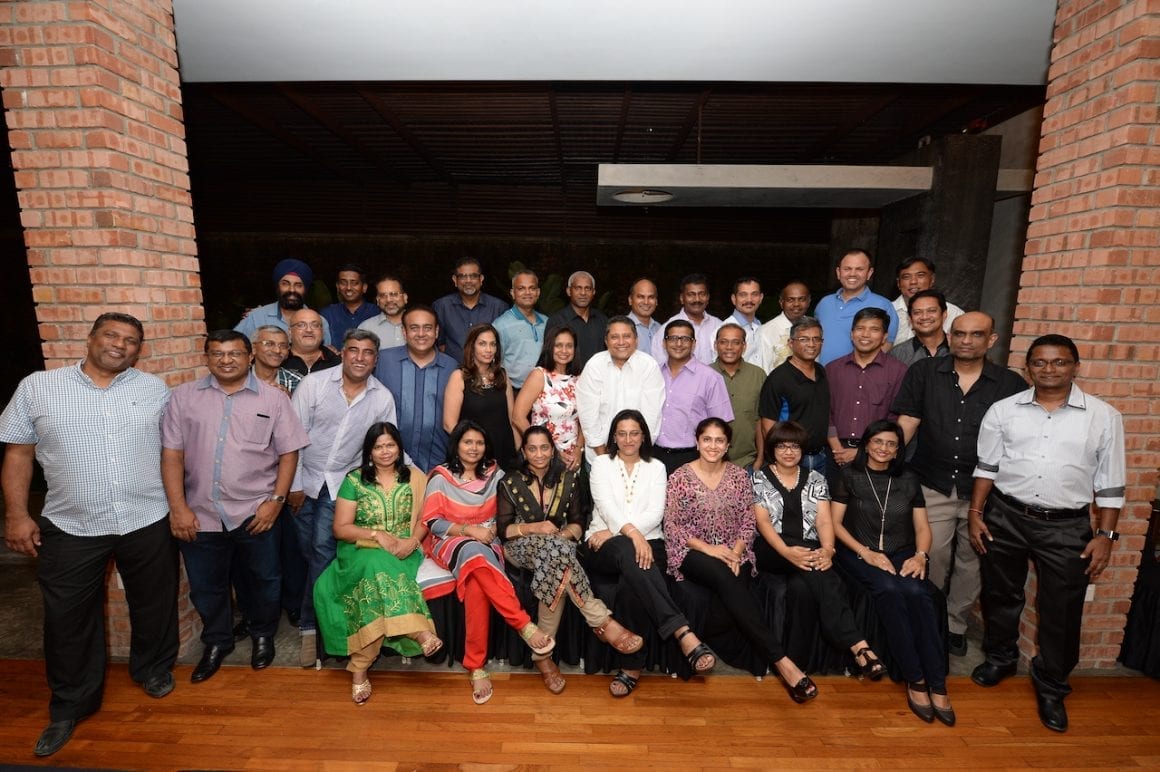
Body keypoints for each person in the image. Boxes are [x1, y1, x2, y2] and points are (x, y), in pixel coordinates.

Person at [1, 313, 179, 757]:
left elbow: (172, 452)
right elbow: (19, 454)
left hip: (146, 517)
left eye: (131, 340)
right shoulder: (38, 387)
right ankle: (71, 704)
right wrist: (17, 515)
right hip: (71, 523)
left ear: (139, 350)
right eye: (111, 335)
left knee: (155, 602)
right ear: (90, 338)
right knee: (67, 618)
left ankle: (152, 669)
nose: (120, 345)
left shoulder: (154, 390)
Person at [968, 334, 1125, 733]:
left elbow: (1110, 484)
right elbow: (987, 466)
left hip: (1067, 526)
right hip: (1006, 515)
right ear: (1028, 369)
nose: (1049, 369)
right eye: (1039, 362)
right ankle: (1001, 658)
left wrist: (1105, 537)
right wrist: (975, 512)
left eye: (1059, 362)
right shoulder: (1004, 410)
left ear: (1075, 366)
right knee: (1000, 593)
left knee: (1062, 609)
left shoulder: (1103, 417)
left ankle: (1052, 684)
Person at [161, 330, 309, 683]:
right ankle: (217, 641)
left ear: (249, 356)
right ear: (207, 357)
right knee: (206, 585)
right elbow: (172, 455)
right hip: (200, 513)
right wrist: (178, 508)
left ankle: (262, 635)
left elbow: (289, 453)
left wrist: (276, 502)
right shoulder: (183, 397)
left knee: (264, 579)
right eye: (217, 353)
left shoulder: (273, 399)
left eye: (234, 354)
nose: (226, 360)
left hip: (255, 511)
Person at [892, 311, 1026, 657]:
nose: (967, 341)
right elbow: (908, 421)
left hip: (984, 489)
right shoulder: (924, 372)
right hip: (932, 481)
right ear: (949, 337)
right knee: (931, 554)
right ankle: (929, 616)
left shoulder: (1010, 385)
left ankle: (955, 624)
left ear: (991, 340)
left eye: (976, 334)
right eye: (960, 334)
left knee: (972, 559)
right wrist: (885, 463)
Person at [664, 418, 818, 703]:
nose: (713, 445)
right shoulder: (680, 477)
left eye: (719, 440)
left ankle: (711, 640)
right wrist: (711, 550)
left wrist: (735, 552)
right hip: (691, 552)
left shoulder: (739, 476)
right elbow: (673, 526)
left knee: (731, 580)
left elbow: (749, 522)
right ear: (697, 442)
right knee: (726, 575)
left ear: (728, 446)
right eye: (707, 439)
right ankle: (783, 662)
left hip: (735, 552)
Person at [497, 426, 644, 694]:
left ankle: (543, 656)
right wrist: (536, 528)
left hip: (559, 547)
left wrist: (560, 536)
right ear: (524, 452)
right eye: (532, 449)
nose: (539, 454)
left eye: (544, 448)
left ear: (552, 450)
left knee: (554, 559)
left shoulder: (568, 478)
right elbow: (504, 530)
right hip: (519, 548)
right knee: (556, 554)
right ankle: (601, 621)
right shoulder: (509, 482)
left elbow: (578, 522)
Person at [421, 420, 556, 704]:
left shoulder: (496, 475)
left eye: (479, 443)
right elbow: (433, 522)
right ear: (456, 445)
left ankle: (476, 666)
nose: (474, 448)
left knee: (477, 585)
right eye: (467, 442)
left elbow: (508, 513)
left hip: (489, 540)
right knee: (474, 553)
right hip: (451, 539)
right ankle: (523, 624)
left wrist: (492, 530)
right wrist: (470, 531)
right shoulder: (441, 477)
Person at [583, 410, 716, 697]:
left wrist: (623, 532)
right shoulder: (601, 464)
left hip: (648, 541)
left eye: (634, 433)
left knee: (633, 580)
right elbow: (605, 506)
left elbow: (656, 513)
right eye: (622, 433)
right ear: (614, 437)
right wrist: (631, 535)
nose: (628, 439)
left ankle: (631, 667)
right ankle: (682, 631)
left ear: (644, 436)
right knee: (626, 549)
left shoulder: (656, 467)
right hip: (602, 545)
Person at [830, 420, 954, 726]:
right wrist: (866, 553)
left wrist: (921, 556)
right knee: (889, 589)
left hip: (903, 552)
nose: (883, 448)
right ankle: (915, 678)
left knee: (917, 592)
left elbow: (922, 528)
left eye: (891, 444)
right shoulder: (849, 476)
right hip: (857, 551)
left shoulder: (909, 480)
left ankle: (937, 682)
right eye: (878, 441)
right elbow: (834, 525)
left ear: (899, 450)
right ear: (867, 444)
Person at [313, 422, 442, 705]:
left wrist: (412, 542)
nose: (385, 451)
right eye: (378, 446)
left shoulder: (415, 478)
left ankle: (359, 669)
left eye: (390, 445)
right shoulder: (355, 481)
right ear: (369, 452)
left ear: (399, 448)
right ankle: (418, 630)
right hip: (360, 549)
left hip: (403, 551)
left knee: (376, 583)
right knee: (375, 566)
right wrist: (376, 535)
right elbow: (341, 528)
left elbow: (426, 518)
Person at [290, 328, 396, 668]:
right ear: (343, 353)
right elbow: (291, 437)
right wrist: (293, 485)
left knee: (323, 555)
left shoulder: (382, 397)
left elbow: (386, 445)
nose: (360, 357)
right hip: (303, 481)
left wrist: (416, 478)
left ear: (375, 359)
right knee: (309, 557)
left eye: (368, 352)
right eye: (353, 350)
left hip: (341, 486)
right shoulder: (314, 385)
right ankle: (323, 623)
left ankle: (315, 631)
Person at [751, 421, 884, 681]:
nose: (789, 452)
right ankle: (858, 645)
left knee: (804, 589)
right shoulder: (759, 478)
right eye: (782, 446)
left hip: (809, 549)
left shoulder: (816, 478)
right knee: (824, 575)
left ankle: (799, 663)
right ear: (772, 449)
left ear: (802, 450)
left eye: (794, 446)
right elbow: (763, 523)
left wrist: (828, 550)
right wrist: (786, 551)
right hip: (772, 548)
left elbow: (824, 521)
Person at [374, 304, 457, 473]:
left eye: (427, 328)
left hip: (438, 463)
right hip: (389, 462)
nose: (421, 334)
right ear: (404, 332)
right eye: (414, 328)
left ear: (436, 331)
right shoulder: (383, 361)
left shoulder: (452, 367)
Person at [575, 316, 665, 466]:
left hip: (638, 458)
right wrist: (603, 457)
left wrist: (637, 454)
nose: (621, 342)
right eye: (615, 337)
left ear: (636, 339)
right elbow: (588, 415)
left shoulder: (649, 366)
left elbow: (652, 416)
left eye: (627, 336)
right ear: (606, 341)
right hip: (599, 455)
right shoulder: (594, 366)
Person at [825, 308, 907, 469]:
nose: (865, 334)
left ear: (884, 337)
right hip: (835, 452)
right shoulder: (832, 369)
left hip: (877, 455)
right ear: (852, 333)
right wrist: (837, 448)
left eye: (874, 329)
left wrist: (863, 451)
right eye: (860, 328)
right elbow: (825, 412)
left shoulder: (899, 371)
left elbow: (896, 418)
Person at [654, 319, 734, 474]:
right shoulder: (653, 374)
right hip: (654, 456)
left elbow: (721, 425)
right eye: (673, 338)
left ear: (694, 343)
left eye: (685, 339)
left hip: (693, 458)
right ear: (664, 343)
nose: (679, 344)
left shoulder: (711, 378)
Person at [757, 316, 830, 474]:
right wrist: (783, 458)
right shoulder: (778, 379)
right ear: (791, 343)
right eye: (804, 339)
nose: (811, 344)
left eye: (816, 339)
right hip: (791, 460)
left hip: (821, 457)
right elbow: (767, 426)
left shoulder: (822, 372)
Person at [443, 323, 519, 470]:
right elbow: (449, 424)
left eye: (493, 344)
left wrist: (517, 446)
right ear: (472, 347)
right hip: (473, 456)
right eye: (482, 344)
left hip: (505, 451)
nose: (488, 349)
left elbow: (512, 418)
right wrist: (472, 449)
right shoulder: (459, 377)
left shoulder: (502, 376)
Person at [512, 325, 584, 471]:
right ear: (550, 347)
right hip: (542, 457)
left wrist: (579, 450)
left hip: (572, 459)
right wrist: (544, 448)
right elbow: (517, 417)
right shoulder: (539, 375)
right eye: (558, 345)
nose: (564, 350)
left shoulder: (579, 379)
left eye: (569, 346)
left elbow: (586, 420)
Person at [815, 249, 899, 365]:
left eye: (859, 269)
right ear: (838, 272)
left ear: (869, 273)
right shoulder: (824, 303)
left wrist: (864, 370)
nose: (852, 274)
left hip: (861, 375)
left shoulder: (883, 305)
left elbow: (887, 343)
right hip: (822, 373)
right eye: (847, 269)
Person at [234, 258, 332, 343]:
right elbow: (233, 346)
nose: (292, 290)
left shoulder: (319, 322)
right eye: (285, 284)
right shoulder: (256, 317)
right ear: (277, 286)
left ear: (305, 289)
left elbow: (325, 355)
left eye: (298, 285)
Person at [710, 323, 765, 470]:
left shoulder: (758, 375)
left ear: (744, 346)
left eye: (736, 342)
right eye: (723, 342)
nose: (729, 347)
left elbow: (762, 421)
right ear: (715, 345)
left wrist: (760, 458)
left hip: (748, 461)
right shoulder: (704, 375)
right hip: (711, 461)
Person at [432, 257, 507, 363]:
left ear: (481, 279)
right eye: (463, 276)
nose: (468, 281)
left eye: (473, 276)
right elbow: (439, 344)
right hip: (452, 369)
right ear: (455, 280)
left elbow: (503, 345)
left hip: (488, 370)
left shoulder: (499, 307)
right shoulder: (441, 306)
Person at [651, 273, 722, 365]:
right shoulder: (667, 329)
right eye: (691, 295)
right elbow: (661, 366)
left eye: (702, 294)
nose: (697, 299)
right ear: (682, 298)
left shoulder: (719, 326)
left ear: (708, 297)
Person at [493, 269, 547, 388]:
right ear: (513, 293)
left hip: (545, 391)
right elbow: (494, 363)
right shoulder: (501, 325)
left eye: (532, 288)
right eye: (521, 288)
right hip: (514, 390)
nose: (527, 292)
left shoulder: (547, 322)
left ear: (538, 292)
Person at [892, 257, 964, 344]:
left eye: (920, 275)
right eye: (906, 277)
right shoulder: (887, 311)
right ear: (898, 283)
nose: (913, 282)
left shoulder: (955, 314)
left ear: (932, 279)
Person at [546, 270, 608, 369]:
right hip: (569, 377)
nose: (583, 293)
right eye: (578, 288)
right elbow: (549, 357)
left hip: (599, 376)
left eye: (587, 288)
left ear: (593, 292)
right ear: (569, 291)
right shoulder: (557, 321)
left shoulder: (603, 320)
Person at [754, 280, 811, 373]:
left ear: (808, 301)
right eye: (790, 300)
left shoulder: (814, 328)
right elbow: (763, 370)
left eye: (801, 299)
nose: (796, 304)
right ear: (781, 302)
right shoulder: (765, 332)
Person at [320, 263, 378, 347]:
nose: (348, 288)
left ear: (364, 287)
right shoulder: (327, 314)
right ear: (337, 287)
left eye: (354, 283)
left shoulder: (376, 313)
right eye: (343, 283)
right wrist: (327, 350)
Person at [892, 289, 951, 367]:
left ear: (944, 314)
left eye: (931, 311)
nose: (924, 317)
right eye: (917, 312)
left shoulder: (960, 348)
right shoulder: (897, 354)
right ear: (910, 318)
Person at [283, 308, 340, 376]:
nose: (309, 330)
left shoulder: (337, 363)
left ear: (322, 332)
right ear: (290, 332)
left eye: (315, 325)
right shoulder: (280, 359)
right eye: (301, 325)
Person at [358, 274, 408, 351]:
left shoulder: (420, 325)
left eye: (394, 294)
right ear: (378, 301)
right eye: (382, 295)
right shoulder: (366, 328)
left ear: (405, 297)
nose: (389, 300)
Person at [250, 325, 302, 395]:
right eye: (269, 344)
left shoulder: (298, 382)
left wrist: (289, 399)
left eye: (283, 346)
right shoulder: (238, 378)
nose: (277, 351)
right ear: (254, 348)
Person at [727, 277, 765, 366]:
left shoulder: (761, 327)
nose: (749, 300)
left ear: (761, 298)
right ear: (734, 299)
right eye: (743, 295)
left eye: (754, 294)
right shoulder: (723, 330)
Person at [626, 277, 663, 359]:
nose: (646, 302)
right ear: (630, 300)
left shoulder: (660, 329)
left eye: (651, 297)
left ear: (656, 301)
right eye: (640, 297)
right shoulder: (622, 328)